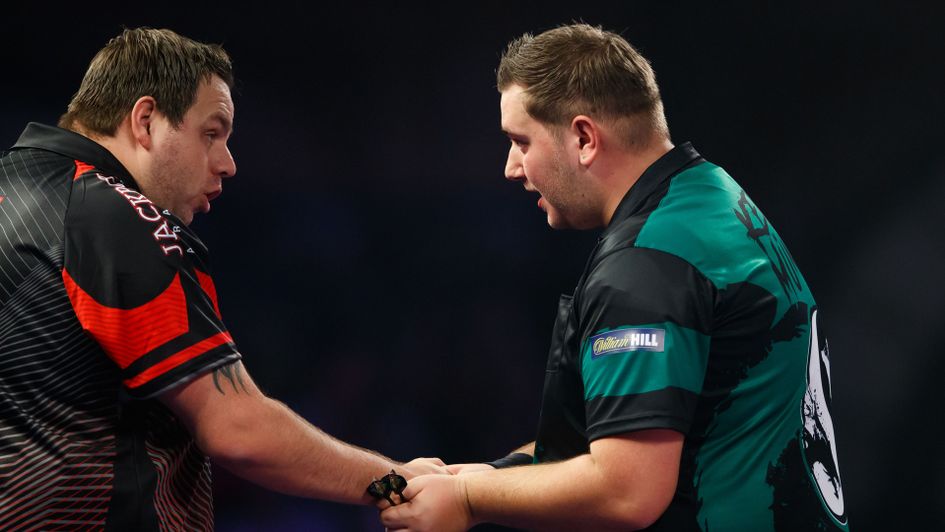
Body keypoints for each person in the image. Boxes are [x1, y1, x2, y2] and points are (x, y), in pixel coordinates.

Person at [381, 23, 849, 531]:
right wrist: (477, 477)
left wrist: (470, 498)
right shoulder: (713, 198)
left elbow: (627, 489)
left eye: (521, 141)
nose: (511, 168)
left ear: (584, 137)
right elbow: (631, 429)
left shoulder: (647, 264)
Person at [0, 27, 443, 530]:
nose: (228, 164)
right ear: (145, 120)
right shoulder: (111, 214)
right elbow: (237, 429)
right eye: (211, 133)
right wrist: (397, 482)